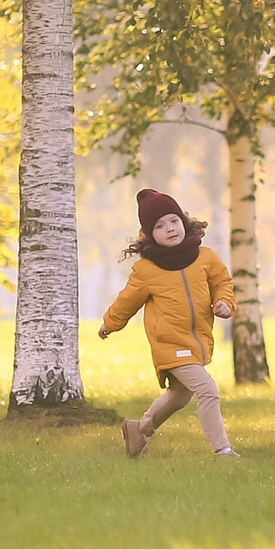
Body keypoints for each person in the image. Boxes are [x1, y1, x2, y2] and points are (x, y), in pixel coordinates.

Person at [99, 188, 240, 460]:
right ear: (149, 234)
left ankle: (138, 429)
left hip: (196, 341)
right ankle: (223, 451)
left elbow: (223, 284)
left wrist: (224, 303)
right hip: (169, 344)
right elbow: (126, 301)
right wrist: (110, 323)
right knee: (207, 390)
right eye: (160, 226)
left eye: (173, 220)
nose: (170, 228)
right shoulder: (147, 270)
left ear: (183, 221)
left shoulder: (206, 257)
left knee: (180, 396)